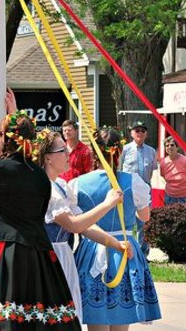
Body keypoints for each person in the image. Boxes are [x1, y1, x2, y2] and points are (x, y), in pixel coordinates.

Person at [0, 111, 81, 330]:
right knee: (35, 311)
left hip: (0, 251)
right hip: (35, 252)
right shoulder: (39, 175)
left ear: (4, 137)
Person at [71, 126, 161, 329]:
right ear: (119, 152)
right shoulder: (133, 181)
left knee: (96, 317)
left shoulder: (78, 184)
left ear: (94, 153)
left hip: (91, 248)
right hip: (124, 248)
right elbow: (144, 216)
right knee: (122, 317)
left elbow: (78, 220)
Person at [37, 129, 131, 323]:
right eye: (61, 150)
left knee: (69, 313)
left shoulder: (62, 185)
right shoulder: (46, 188)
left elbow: (85, 225)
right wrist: (107, 204)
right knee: (54, 314)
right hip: (48, 256)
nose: (68, 154)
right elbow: (73, 225)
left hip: (64, 255)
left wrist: (115, 243)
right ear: (47, 158)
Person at [119, 120, 157, 255]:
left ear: (146, 134)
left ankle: (142, 253)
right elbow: (119, 168)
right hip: (128, 190)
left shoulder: (151, 151)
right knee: (127, 221)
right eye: (137, 130)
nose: (140, 133)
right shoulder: (125, 150)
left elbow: (153, 171)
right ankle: (126, 250)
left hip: (145, 190)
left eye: (142, 130)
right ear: (131, 133)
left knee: (144, 223)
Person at [159, 136, 186, 205]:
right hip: (170, 197)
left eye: (172, 145)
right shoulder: (163, 163)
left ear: (177, 147)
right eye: (167, 146)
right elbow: (164, 177)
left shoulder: (185, 161)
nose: (169, 147)